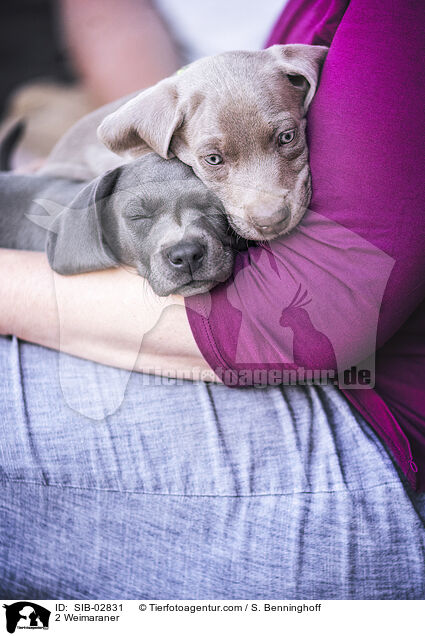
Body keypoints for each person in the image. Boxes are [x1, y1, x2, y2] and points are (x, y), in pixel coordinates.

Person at [0, 0, 424, 599]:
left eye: (286, 141)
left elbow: (323, 316)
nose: (267, 205)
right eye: (218, 162)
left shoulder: (390, 26)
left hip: (362, 432)